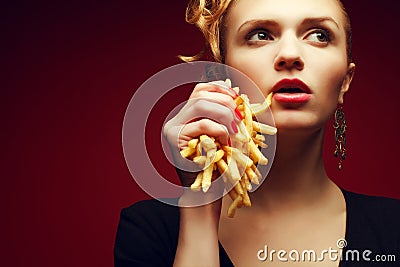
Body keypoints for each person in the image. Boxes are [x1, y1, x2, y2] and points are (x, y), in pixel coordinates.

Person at [114, 0, 400, 266]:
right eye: (261, 35)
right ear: (220, 74)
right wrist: (199, 205)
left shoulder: (393, 229)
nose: (290, 55)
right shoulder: (148, 231)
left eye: (319, 35)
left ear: (345, 82)